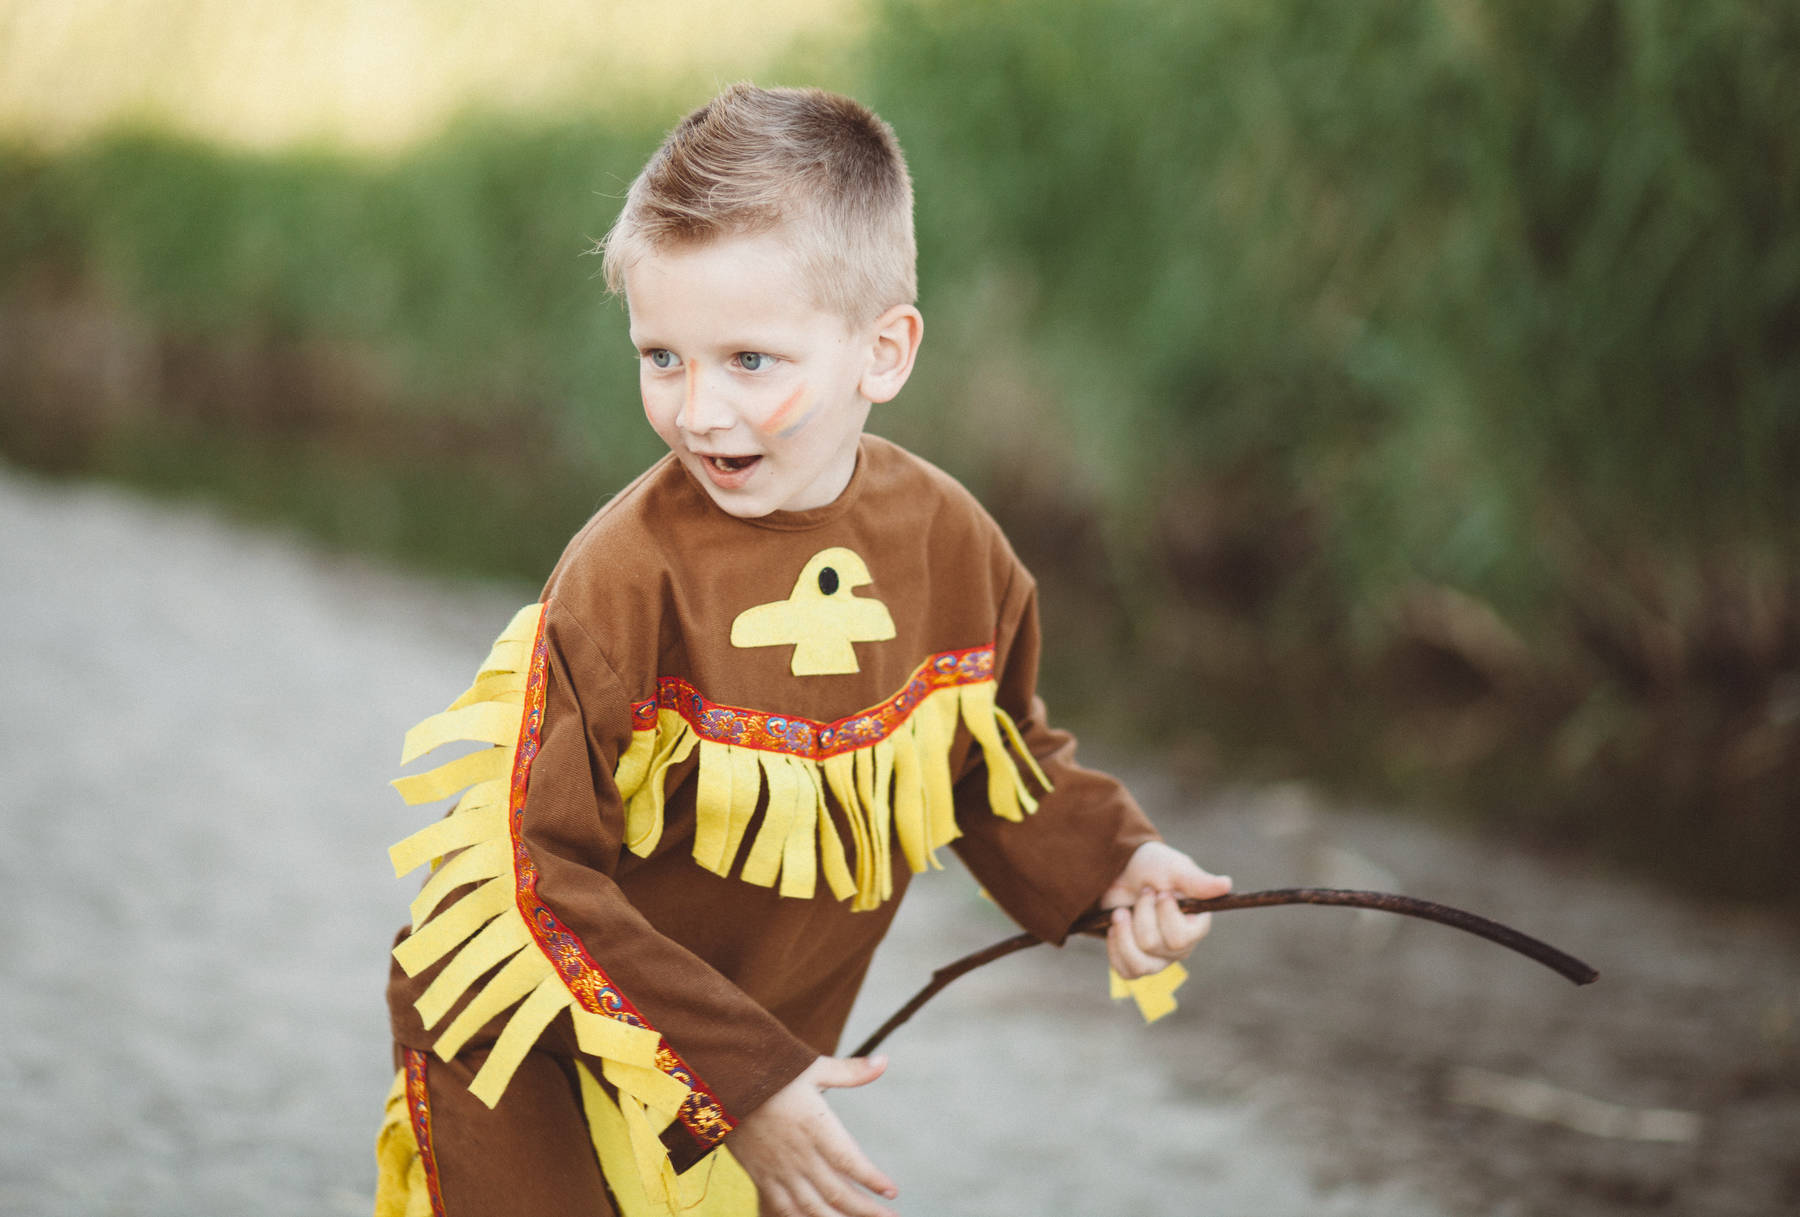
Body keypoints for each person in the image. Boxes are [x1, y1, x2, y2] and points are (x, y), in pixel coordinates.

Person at [373, 83, 1231, 1217]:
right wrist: (746, 1078)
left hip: (748, 1060)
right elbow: (539, 876)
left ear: (885, 351)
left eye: (751, 361)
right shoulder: (620, 579)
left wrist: (1114, 865)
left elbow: (989, 760)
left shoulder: (950, 547)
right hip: (534, 1061)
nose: (699, 411)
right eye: (662, 357)